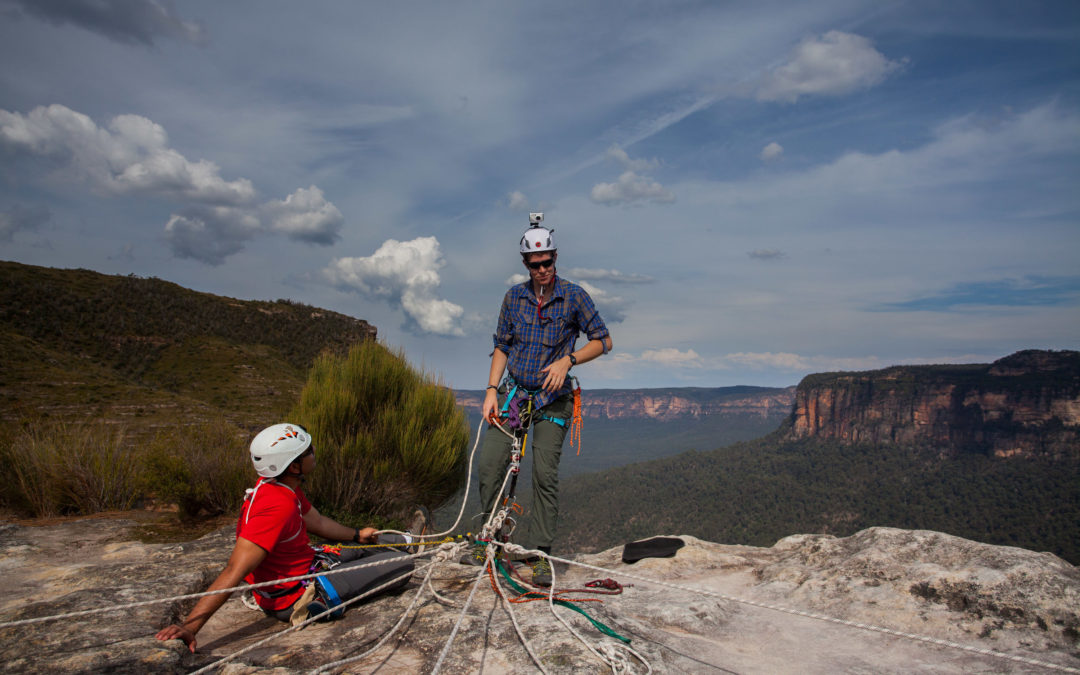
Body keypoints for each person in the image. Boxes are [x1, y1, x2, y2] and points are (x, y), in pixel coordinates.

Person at [155, 423, 427, 653]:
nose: (314, 452)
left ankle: (383, 552)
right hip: (297, 596)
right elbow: (236, 568)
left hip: (309, 563)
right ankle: (328, 601)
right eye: (307, 451)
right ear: (293, 465)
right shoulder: (276, 506)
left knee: (375, 552)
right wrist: (191, 626)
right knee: (403, 566)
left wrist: (358, 535)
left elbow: (317, 522)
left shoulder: (281, 487)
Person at [469, 213, 613, 586]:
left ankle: (539, 556)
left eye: (548, 261)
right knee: (489, 467)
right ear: (525, 264)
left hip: (553, 400)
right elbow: (502, 344)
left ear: (555, 257)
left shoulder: (574, 296)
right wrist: (490, 390)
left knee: (544, 476)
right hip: (514, 393)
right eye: (536, 264)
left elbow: (603, 340)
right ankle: (492, 542)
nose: (543, 269)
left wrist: (568, 360)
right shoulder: (514, 298)